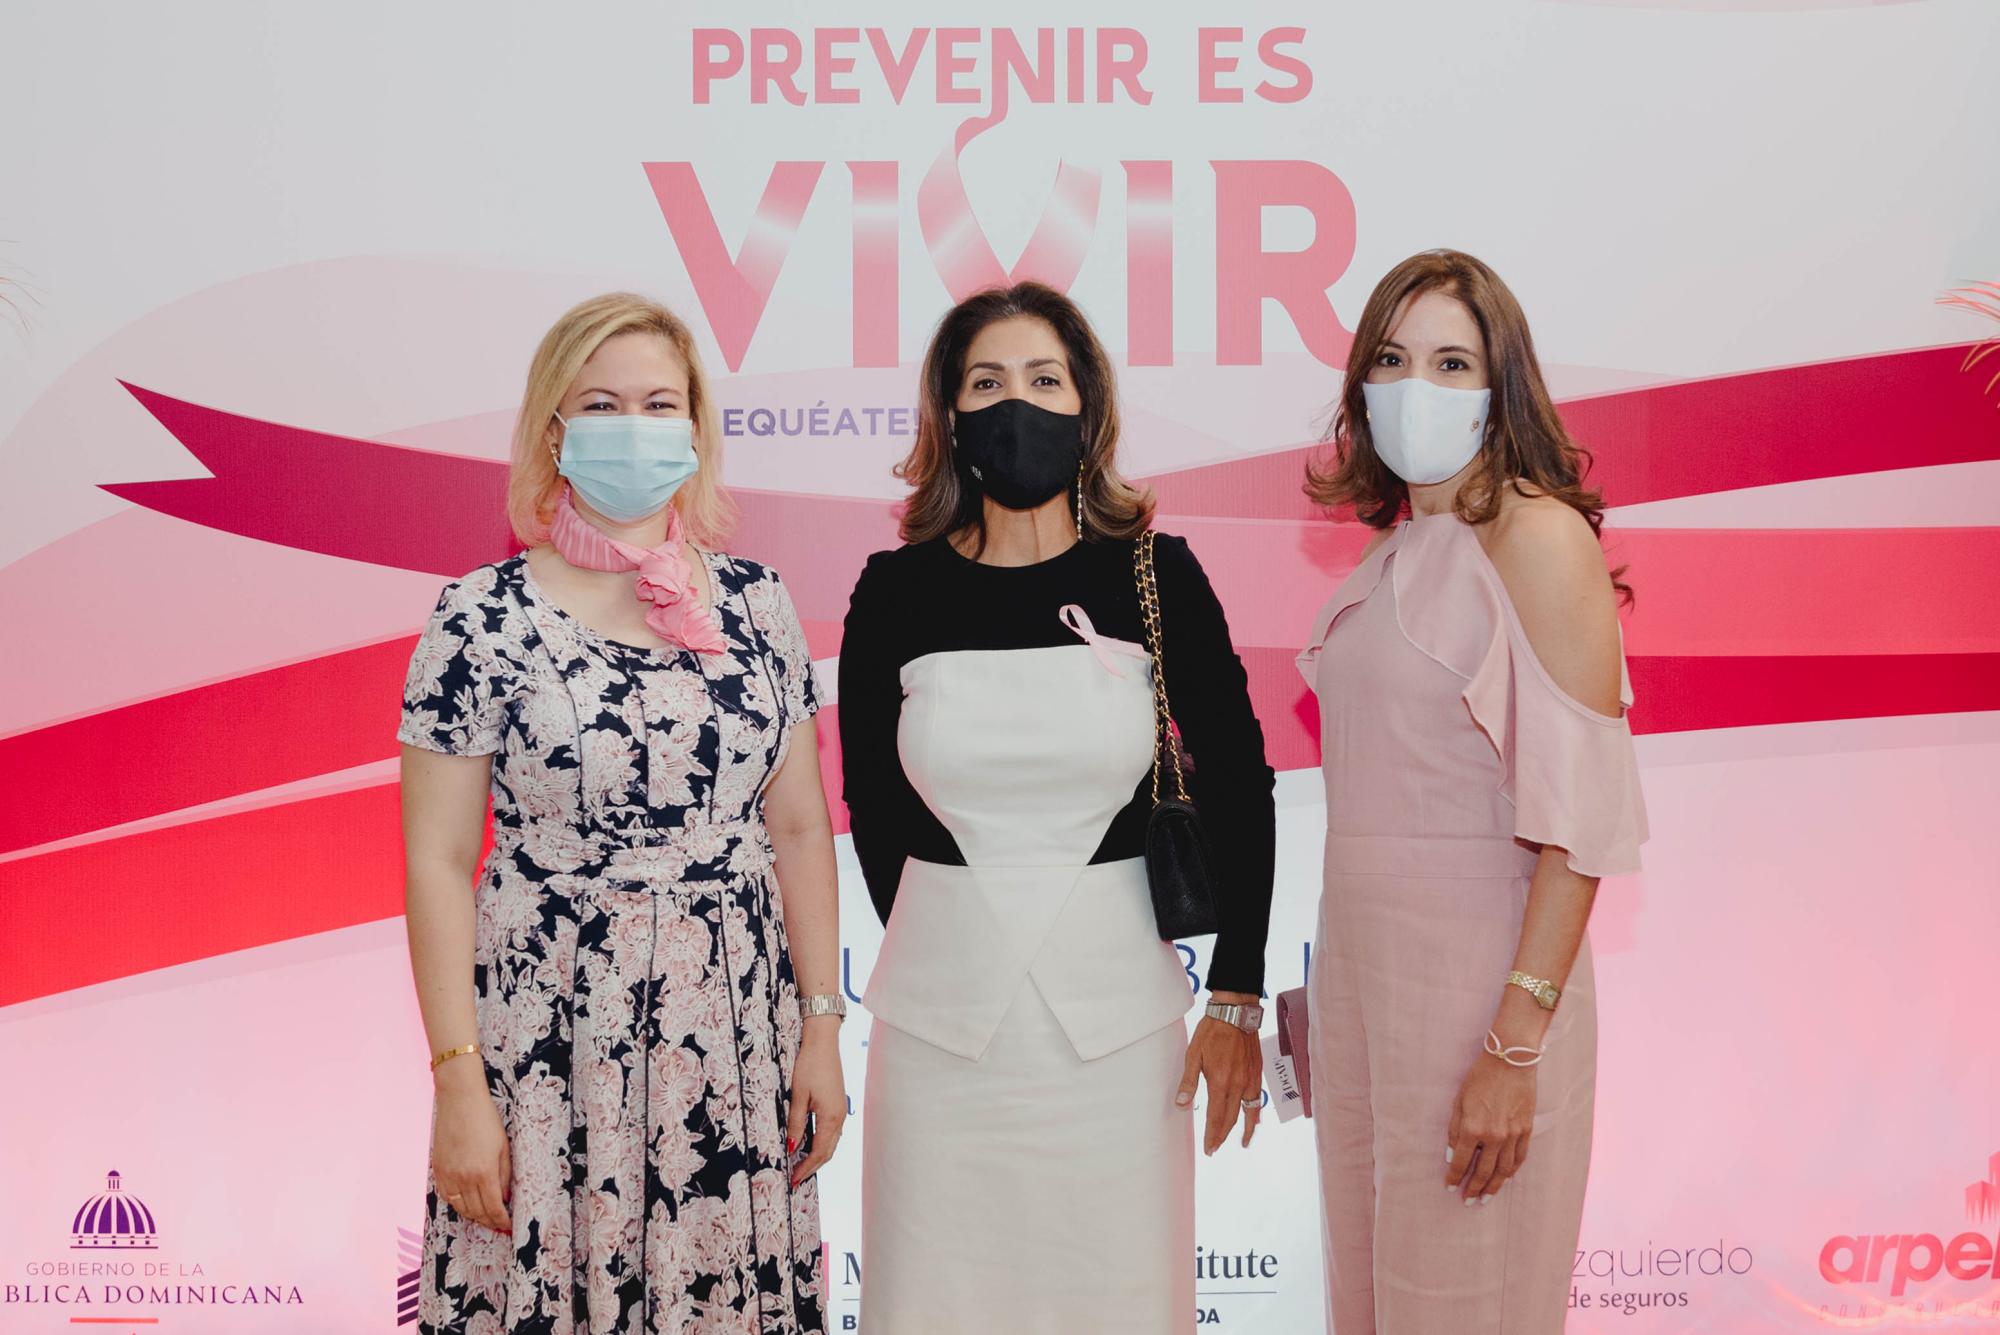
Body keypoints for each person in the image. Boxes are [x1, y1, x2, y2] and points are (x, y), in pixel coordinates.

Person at [399, 292, 844, 1334]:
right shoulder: (478, 615)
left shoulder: (757, 603)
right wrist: (460, 1085)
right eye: (602, 402)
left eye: (659, 402)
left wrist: (820, 1030)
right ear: (553, 428)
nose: (635, 427)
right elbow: (435, 861)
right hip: (547, 1044)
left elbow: (799, 830)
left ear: (694, 424)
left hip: (734, 1036)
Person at [838, 282, 1276, 1333]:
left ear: (1087, 412)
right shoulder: (891, 592)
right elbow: (874, 811)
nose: (1016, 406)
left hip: (1117, 1035)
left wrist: (1235, 996)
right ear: (948, 417)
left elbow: (1238, 787)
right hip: (940, 1036)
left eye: (1044, 381)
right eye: (986, 384)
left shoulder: (1156, 578)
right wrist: (973, 935)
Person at [1296, 249, 1649, 1331]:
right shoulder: (1394, 554)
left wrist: (1510, 1049)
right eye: (1392, 360)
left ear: (1502, 388)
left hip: (1477, 1013)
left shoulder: (1536, 538)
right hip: (1365, 1009)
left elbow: (1581, 824)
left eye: (1452, 362)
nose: (1418, 388)